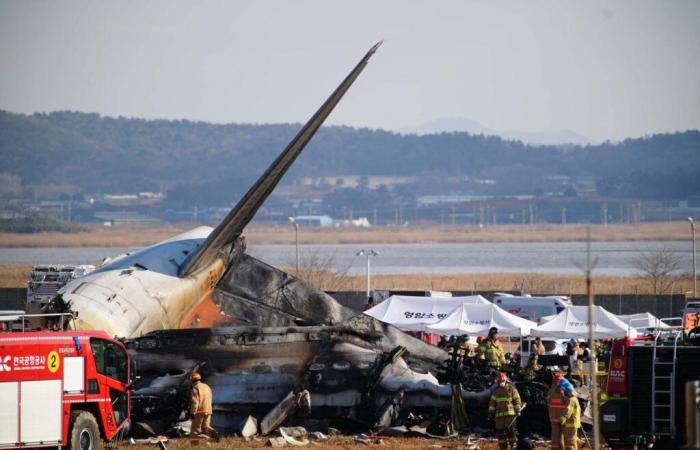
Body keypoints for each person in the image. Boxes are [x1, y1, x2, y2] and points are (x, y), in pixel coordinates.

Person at [488, 372, 522, 450]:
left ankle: (513, 446)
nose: (501, 383)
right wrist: (490, 414)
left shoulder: (512, 390)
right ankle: (503, 448)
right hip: (499, 416)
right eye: (500, 381)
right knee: (501, 434)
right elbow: (492, 404)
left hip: (510, 415)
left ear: (506, 381)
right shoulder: (496, 392)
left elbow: (517, 401)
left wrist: (518, 410)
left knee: (510, 431)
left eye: (502, 381)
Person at [190, 372, 216, 438]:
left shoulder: (195, 389)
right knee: (206, 427)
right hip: (208, 410)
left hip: (199, 411)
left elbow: (195, 402)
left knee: (195, 429)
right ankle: (215, 434)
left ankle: (194, 445)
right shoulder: (207, 386)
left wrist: (193, 412)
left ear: (192, 380)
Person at [558, 378, 581, 450]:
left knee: (570, 442)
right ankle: (580, 443)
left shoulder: (571, 400)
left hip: (570, 424)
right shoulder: (574, 398)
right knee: (573, 439)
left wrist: (561, 420)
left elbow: (567, 411)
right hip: (573, 424)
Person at [547, 373, 566, 450]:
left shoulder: (550, 391)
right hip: (562, 418)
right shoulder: (565, 391)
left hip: (553, 418)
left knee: (555, 437)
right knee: (565, 437)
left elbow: (548, 404)